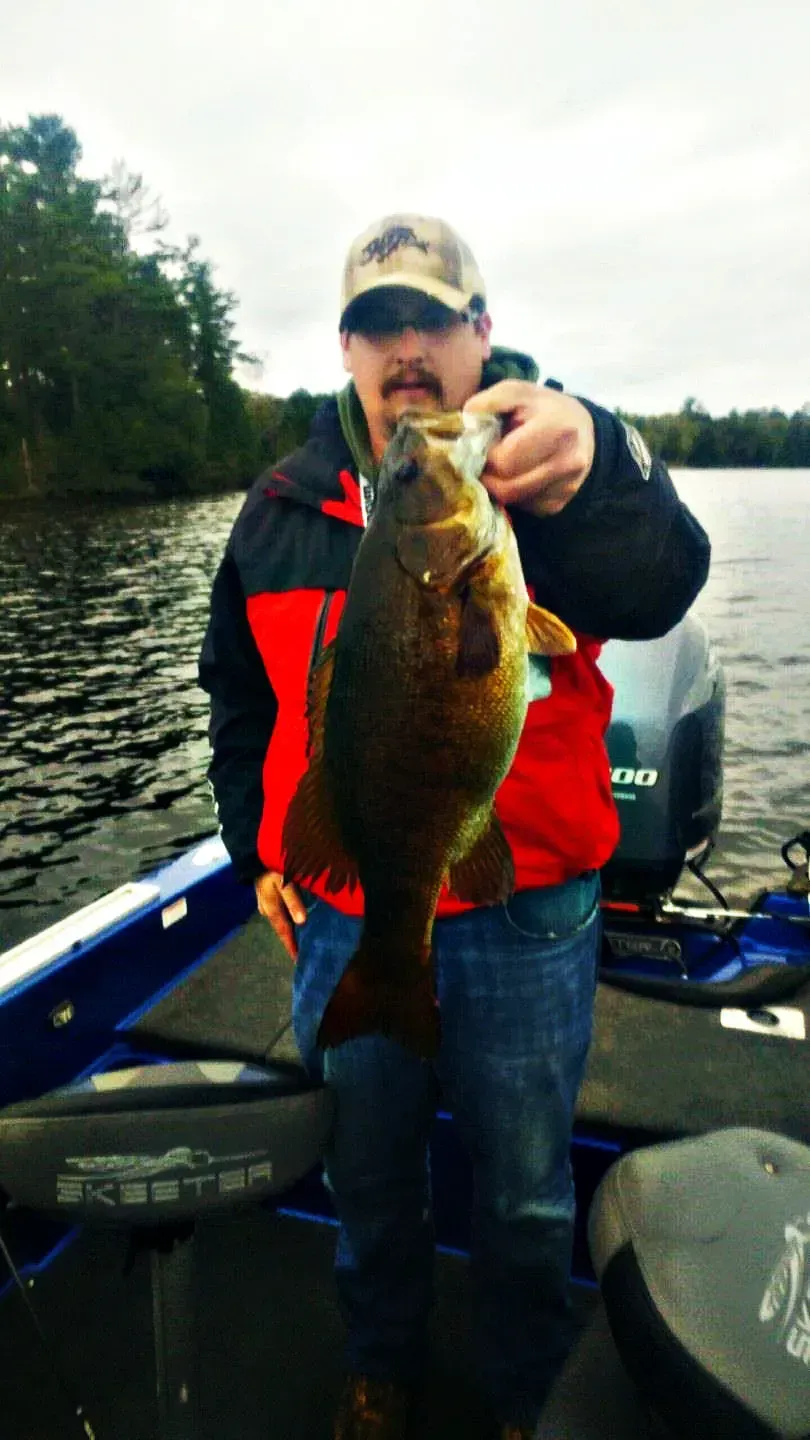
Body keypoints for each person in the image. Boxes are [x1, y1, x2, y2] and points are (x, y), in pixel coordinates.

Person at [198, 214, 711, 1440]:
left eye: (432, 319)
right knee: (367, 1177)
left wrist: (606, 456)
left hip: (529, 908)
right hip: (348, 909)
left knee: (527, 1193)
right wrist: (256, 846)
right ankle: (382, 1364)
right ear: (346, 350)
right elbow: (237, 696)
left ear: (482, 334)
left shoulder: (547, 484)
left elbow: (667, 578)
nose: (407, 350)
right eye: (379, 326)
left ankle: (525, 1393)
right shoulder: (276, 510)